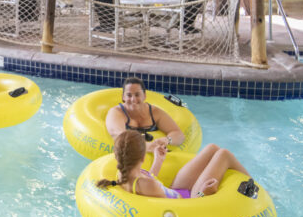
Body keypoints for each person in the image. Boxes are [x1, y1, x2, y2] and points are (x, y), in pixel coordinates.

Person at [96, 130, 251, 199]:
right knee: (223, 154)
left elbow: (149, 183)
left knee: (212, 148)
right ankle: (255, 188)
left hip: (176, 192)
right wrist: (204, 193)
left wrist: (158, 161)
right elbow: (182, 212)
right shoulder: (148, 184)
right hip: (191, 200)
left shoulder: (124, 173)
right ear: (143, 156)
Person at [105, 77, 185, 150]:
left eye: (137, 95)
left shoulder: (154, 113)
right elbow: (120, 137)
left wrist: (167, 140)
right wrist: (150, 147)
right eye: (129, 95)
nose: (133, 99)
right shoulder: (116, 113)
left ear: (144, 96)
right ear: (123, 97)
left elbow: (178, 134)